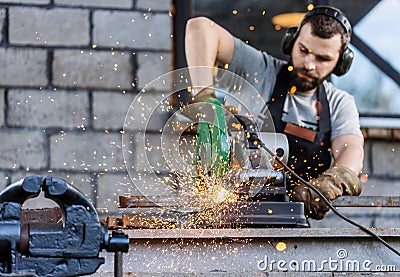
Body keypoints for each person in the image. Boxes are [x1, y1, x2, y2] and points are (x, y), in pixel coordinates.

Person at [184, 5, 364, 220]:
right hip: (229, 216)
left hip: (290, 227)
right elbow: (199, 27)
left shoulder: (339, 103)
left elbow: (351, 150)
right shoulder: (260, 70)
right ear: (291, 42)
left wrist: (334, 180)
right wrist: (205, 100)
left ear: (340, 63)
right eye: (304, 50)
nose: (308, 64)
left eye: (322, 59)